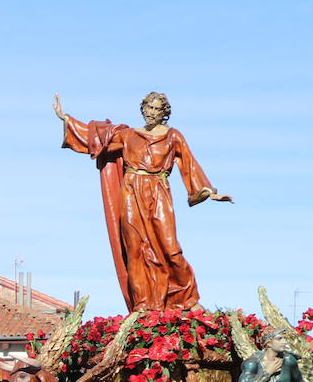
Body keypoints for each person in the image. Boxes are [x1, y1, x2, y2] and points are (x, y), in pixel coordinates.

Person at [54, 91, 232, 312]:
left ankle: (186, 299)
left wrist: (208, 193)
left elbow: (189, 165)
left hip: (158, 191)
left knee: (170, 246)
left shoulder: (173, 136)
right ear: (143, 109)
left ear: (164, 113)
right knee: (135, 247)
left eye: (157, 109)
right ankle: (143, 303)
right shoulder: (129, 136)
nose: (152, 113)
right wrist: (67, 120)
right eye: (149, 108)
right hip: (131, 189)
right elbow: (97, 141)